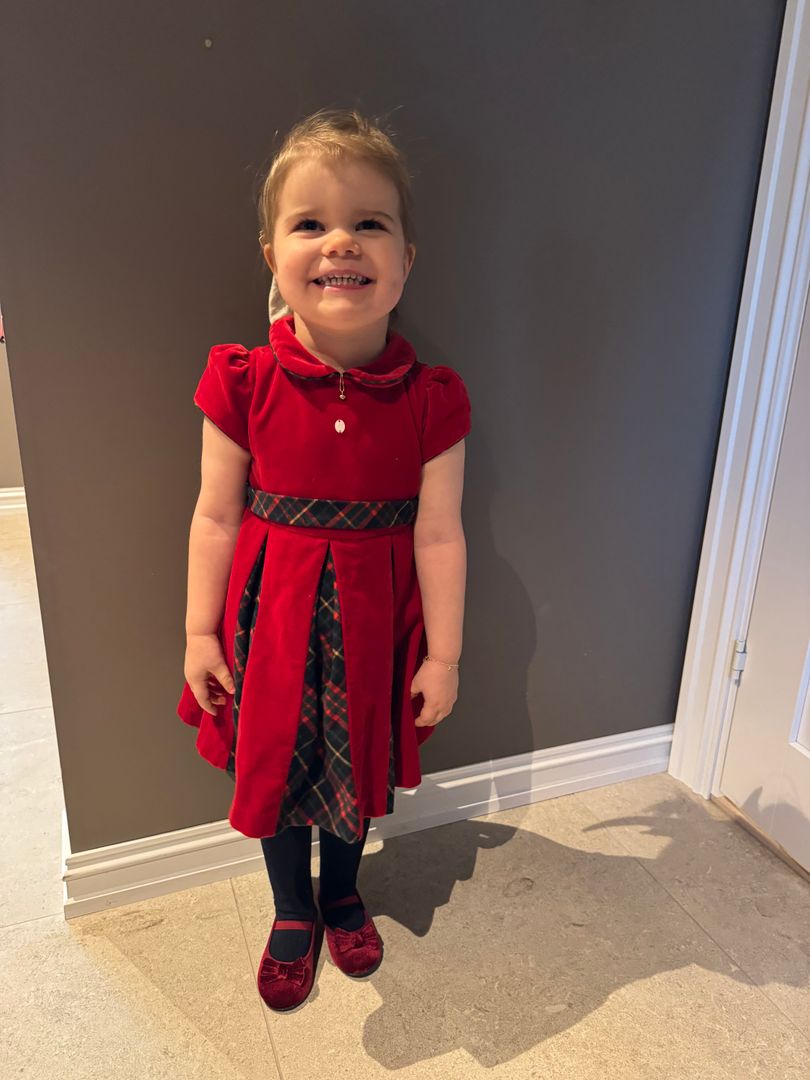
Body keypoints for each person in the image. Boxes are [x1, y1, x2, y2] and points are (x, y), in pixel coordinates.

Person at [176, 107, 471, 1011]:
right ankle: (291, 907)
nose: (340, 240)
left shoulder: (431, 399)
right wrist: (199, 633)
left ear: (404, 260)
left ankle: (343, 891)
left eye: (368, 222)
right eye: (311, 223)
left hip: (375, 625)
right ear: (273, 256)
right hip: (271, 622)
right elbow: (215, 516)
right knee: (275, 763)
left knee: (356, 764)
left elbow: (440, 533)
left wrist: (445, 656)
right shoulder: (243, 381)